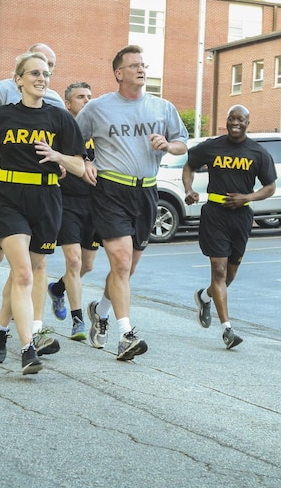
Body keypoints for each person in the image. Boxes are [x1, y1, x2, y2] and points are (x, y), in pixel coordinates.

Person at [0, 50, 86, 374]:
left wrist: (57, 155)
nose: (41, 79)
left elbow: (79, 165)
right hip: (8, 196)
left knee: (25, 273)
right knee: (22, 273)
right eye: (34, 73)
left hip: (46, 199)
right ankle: (27, 349)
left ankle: (1, 327)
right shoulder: (4, 114)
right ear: (18, 79)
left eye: (45, 74)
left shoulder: (59, 117)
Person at [75, 44, 188, 361]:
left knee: (128, 267)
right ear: (118, 73)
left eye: (143, 64)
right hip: (110, 190)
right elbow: (71, 139)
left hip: (147, 192)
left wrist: (168, 144)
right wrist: (85, 160)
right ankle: (127, 335)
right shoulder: (97, 108)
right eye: (134, 65)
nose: (141, 69)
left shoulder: (162, 107)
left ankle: (101, 310)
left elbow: (182, 143)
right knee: (121, 263)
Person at [183, 105, 276, 349]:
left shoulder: (258, 153)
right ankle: (228, 330)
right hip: (214, 214)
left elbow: (270, 187)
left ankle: (204, 297)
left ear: (248, 122)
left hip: (241, 217)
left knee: (230, 274)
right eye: (232, 119)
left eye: (241, 119)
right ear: (227, 121)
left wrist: (247, 197)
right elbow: (189, 165)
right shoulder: (213, 146)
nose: (235, 123)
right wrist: (189, 190)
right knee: (219, 271)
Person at [48, 81, 99, 341]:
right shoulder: (60, 129)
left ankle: (58, 288)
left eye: (90, 96)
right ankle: (78, 320)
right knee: (74, 260)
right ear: (68, 103)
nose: (87, 101)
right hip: (67, 200)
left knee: (87, 265)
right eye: (81, 97)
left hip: (95, 203)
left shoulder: (100, 129)